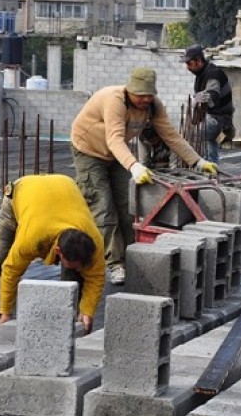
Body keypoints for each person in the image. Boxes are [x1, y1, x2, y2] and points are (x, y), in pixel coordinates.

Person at [70, 67, 218, 285]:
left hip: (114, 154)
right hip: (88, 150)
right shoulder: (115, 100)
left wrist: (197, 160)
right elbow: (114, 139)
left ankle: (132, 255)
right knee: (103, 208)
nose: (145, 99)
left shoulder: (153, 106)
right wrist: (135, 166)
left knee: (128, 205)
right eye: (141, 95)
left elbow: (171, 136)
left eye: (149, 95)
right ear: (130, 91)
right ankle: (115, 263)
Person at [0, 174, 105, 333]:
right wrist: (6, 312)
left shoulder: (94, 240)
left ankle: (70, 323)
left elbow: (96, 277)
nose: (78, 268)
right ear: (59, 251)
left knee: (75, 277)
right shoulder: (31, 238)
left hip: (63, 187)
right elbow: (10, 271)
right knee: (1, 262)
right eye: (73, 265)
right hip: (23, 191)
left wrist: (87, 311)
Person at [182, 44, 236, 164]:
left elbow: (212, 95)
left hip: (220, 119)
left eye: (189, 63)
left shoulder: (213, 74)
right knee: (208, 143)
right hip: (211, 117)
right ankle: (211, 167)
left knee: (192, 135)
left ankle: (202, 165)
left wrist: (197, 99)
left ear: (199, 61)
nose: (187, 67)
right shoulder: (201, 75)